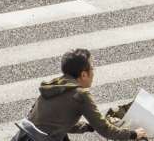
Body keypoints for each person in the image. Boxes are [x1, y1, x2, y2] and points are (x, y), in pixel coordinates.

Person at [12, 49, 145, 141]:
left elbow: (57, 122)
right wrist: (133, 134)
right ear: (83, 74)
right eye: (92, 68)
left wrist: (88, 127)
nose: (93, 72)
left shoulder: (55, 86)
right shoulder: (81, 95)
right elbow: (104, 129)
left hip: (25, 136)